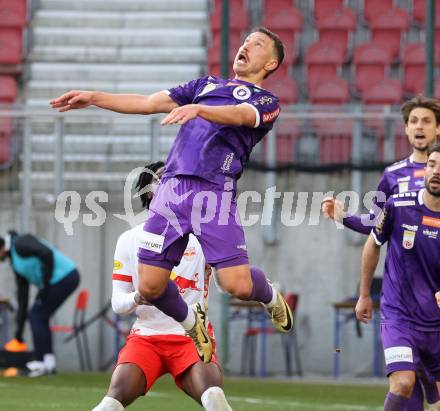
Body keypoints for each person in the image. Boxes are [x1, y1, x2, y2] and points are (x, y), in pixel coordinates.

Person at [50, 26, 293, 363]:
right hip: (172, 190)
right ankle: (192, 322)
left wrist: (200, 110)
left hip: (214, 194)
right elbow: (148, 103)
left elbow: (240, 116)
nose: (246, 46)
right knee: (149, 287)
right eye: (246, 41)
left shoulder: (266, 102)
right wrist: (94, 97)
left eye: (258, 44)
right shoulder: (204, 85)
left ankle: (269, 297)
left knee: (236, 285)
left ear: (270, 64)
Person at [322, 95, 440, 409]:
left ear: (438, 129)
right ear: (405, 129)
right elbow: (377, 226)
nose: (419, 127)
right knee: (405, 386)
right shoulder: (393, 176)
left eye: (426, 121)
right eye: (413, 121)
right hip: (402, 300)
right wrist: (344, 217)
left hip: (436, 306)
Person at [92, 162, 233, 411]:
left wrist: (222, 269)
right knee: (110, 404)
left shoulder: (203, 234)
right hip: (146, 338)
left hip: (193, 338)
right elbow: (118, 303)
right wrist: (138, 297)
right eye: (162, 179)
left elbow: (224, 286)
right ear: (148, 192)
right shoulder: (130, 239)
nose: (172, 184)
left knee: (214, 397)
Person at [355, 144, 440, 411]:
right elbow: (372, 244)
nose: (436, 171)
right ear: (425, 169)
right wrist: (365, 294)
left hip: (436, 322)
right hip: (399, 316)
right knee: (403, 383)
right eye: (432, 164)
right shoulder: (398, 205)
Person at [0, 231, 80, 376]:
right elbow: (22, 299)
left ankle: (41, 361)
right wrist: (19, 333)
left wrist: (46, 284)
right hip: (56, 282)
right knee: (38, 315)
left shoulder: (20, 243)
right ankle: (48, 362)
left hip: (66, 277)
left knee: (37, 315)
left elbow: (46, 253)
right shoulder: (15, 264)